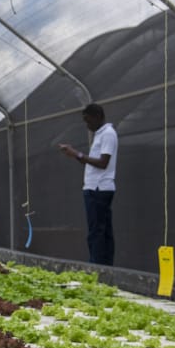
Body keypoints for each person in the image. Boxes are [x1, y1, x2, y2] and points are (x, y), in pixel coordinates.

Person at [58, 103, 117, 265]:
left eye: (88, 121)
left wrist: (77, 153)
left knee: (96, 232)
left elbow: (103, 163)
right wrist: (75, 154)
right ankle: (106, 267)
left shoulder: (108, 134)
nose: (87, 125)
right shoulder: (100, 134)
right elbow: (94, 163)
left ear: (98, 117)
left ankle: (97, 268)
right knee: (102, 230)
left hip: (99, 189)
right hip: (95, 188)